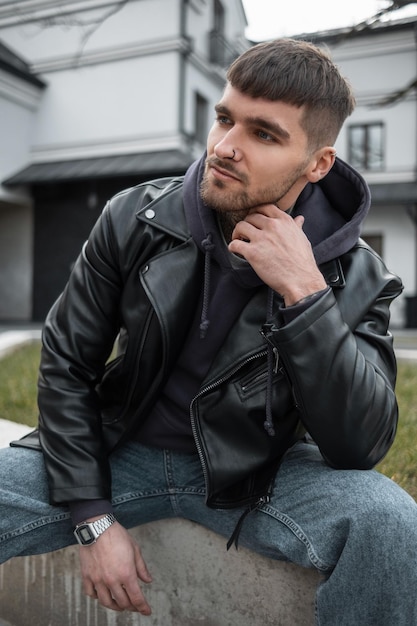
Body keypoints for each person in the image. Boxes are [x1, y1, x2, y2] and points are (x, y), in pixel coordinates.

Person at [1, 38, 417, 625]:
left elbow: (360, 445)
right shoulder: (135, 217)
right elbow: (67, 364)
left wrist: (306, 293)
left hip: (260, 475)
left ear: (317, 163)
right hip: (122, 451)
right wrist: (93, 518)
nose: (225, 147)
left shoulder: (361, 278)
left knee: (392, 527)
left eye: (264, 134)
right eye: (225, 118)